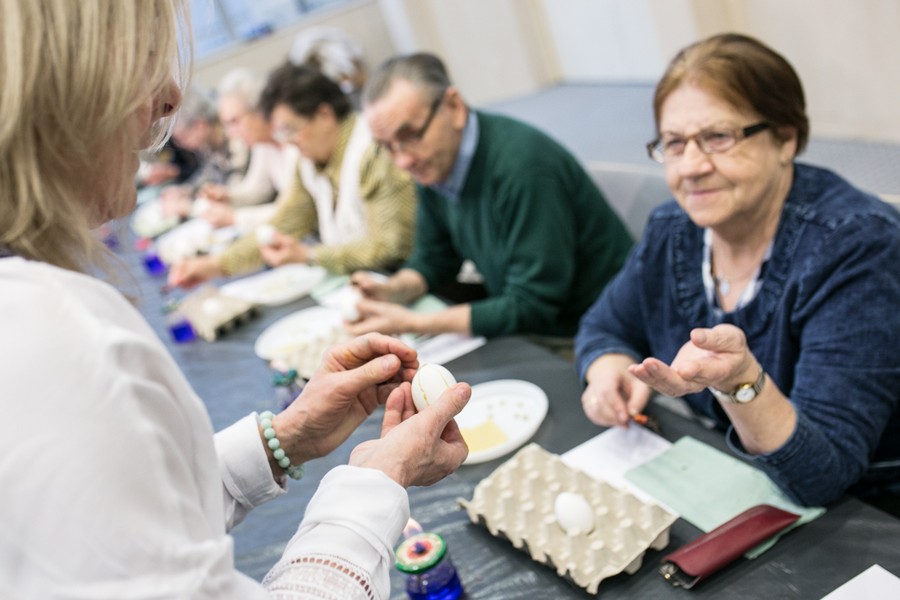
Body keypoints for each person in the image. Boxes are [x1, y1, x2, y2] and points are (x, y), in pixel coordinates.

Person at [0, 2, 471, 598]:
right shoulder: (57, 342)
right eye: (146, 58)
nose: (172, 96)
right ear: (60, 84)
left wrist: (286, 435)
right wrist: (381, 479)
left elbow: (149, 507)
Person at [575, 33, 900, 509]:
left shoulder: (857, 247)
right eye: (674, 143)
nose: (691, 167)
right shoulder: (673, 229)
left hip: (860, 514)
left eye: (718, 138)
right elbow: (604, 326)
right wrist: (607, 370)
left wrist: (741, 382)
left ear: (785, 138)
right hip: (729, 483)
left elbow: (825, 474)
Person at [346, 52, 633, 346]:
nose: (402, 160)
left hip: (596, 332)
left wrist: (415, 323)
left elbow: (533, 304)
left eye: (411, 135)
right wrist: (393, 290)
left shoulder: (523, 166)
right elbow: (434, 258)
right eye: (387, 147)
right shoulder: (431, 163)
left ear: (454, 107)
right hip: (533, 325)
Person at [168, 63, 415, 284]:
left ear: (325, 115)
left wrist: (309, 255)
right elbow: (286, 221)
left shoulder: (372, 150)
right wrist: (215, 265)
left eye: (291, 130)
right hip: (357, 280)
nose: (287, 142)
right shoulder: (309, 157)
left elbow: (390, 247)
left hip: (400, 283)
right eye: (280, 133)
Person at [197, 67, 300, 231]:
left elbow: (297, 210)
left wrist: (235, 218)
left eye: (235, 121)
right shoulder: (263, 145)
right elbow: (258, 189)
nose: (231, 133)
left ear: (259, 110)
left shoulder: (295, 144)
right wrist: (228, 196)